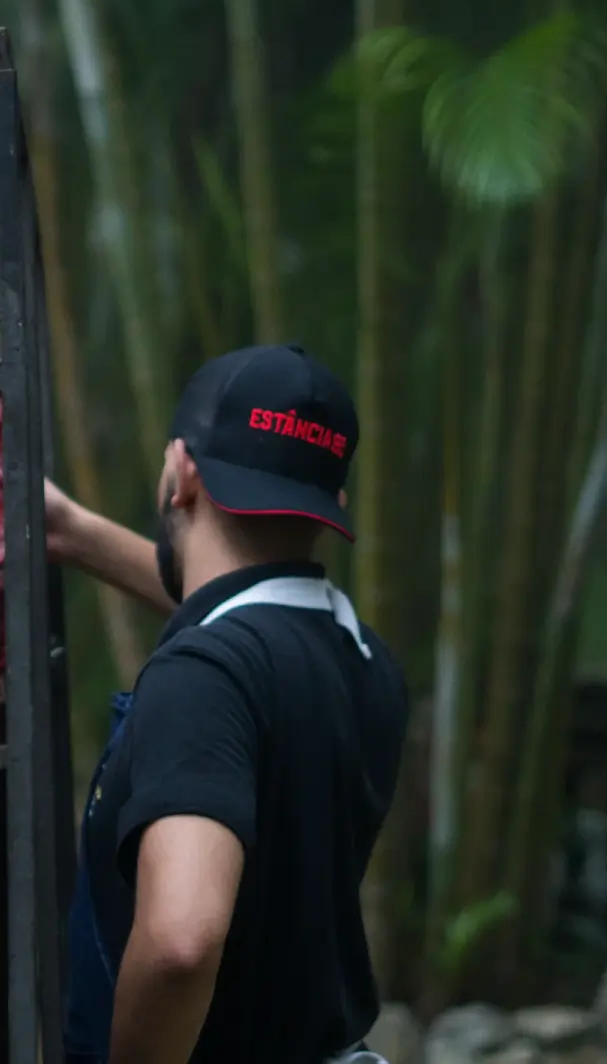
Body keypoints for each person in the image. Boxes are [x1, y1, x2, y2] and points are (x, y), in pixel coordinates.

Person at [47, 344, 409, 1064]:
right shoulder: (360, 658)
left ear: (180, 473)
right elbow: (235, 615)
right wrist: (72, 532)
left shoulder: (201, 680)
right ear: (332, 503)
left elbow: (181, 942)